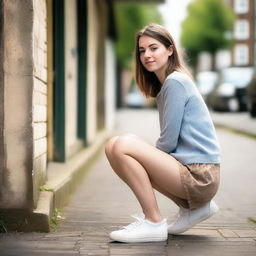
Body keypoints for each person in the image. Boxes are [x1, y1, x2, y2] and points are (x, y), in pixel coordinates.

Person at [105, 24, 220, 243]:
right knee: (115, 145)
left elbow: (167, 142)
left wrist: (143, 160)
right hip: (197, 173)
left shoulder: (175, 82)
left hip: (200, 176)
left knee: (121, 147)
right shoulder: (169, 83)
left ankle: (153, 222)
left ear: (170, 50)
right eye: (141, 50)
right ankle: (192, 209)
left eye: (153, 48)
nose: (146, 55)